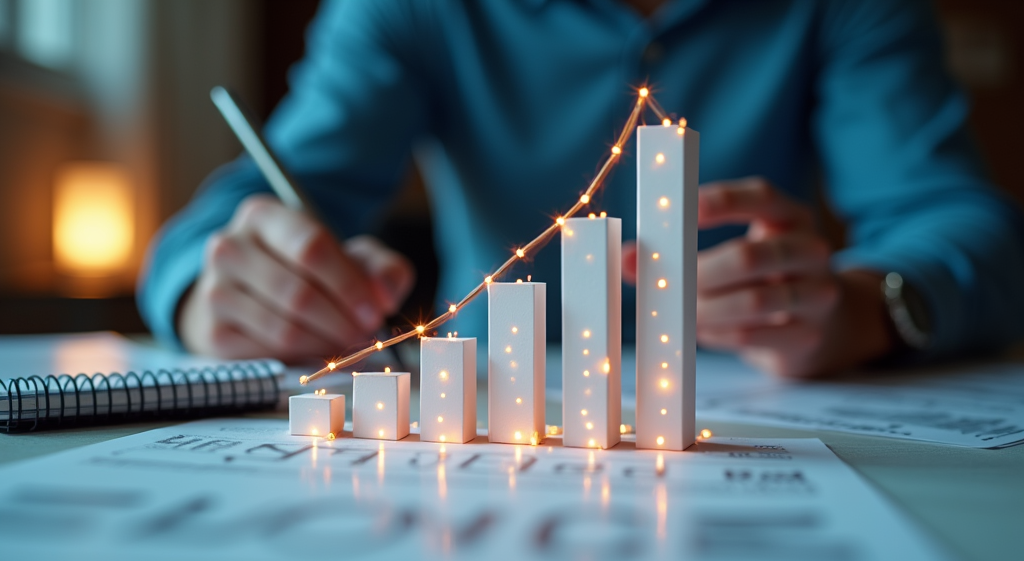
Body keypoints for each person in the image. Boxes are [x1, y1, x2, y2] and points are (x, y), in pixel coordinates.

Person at [138, 0, 1024, 378]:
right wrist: (209, 287)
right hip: (481, 420)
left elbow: (955, 218)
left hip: (759, 418)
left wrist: (873, 304)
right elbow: (256, 200)